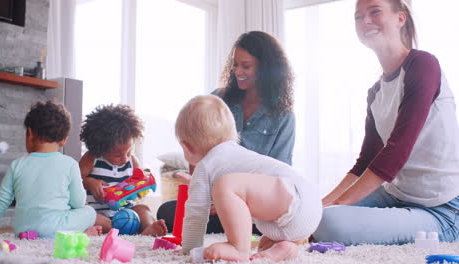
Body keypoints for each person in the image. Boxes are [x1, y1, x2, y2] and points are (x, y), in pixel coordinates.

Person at [313, 0, 459, 245]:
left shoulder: (423, 65)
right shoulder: (375, 92)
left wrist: (333, 207)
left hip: (441, 209)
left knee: (329, 223)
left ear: (400, 18)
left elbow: (397, 151)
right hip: (396, 195)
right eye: (358, 17)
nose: (365, 21)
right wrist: (317, 208)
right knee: (317, 216)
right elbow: (364, 162)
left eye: (375, 12)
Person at [157, 30, 296, 234]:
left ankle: (239, 223)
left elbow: (280, 175)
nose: (237, 71)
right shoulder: (217, 100)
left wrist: (240, 201)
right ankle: (232, 222)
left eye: (245, 66)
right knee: (167, 212)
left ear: (266, 69)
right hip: (214, 199)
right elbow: (197, 149)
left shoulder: (283, 115)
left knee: (282, 223)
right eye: (235, 64)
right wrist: (205, 195)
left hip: (256, 206)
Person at [177, 95, 321, 262]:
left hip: (294, 198)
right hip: (308, 205)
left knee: (225, 185)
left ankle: (238, 248)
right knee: (264, 243)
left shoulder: (205, 165)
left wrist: (189, 249)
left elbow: (196, 213)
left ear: (185, 147)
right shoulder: (238, 154)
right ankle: (284, 247)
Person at [0, 101, 102, 238]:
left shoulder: (17, 165)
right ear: (64, 140)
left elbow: (1, 199)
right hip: (56, 231)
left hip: (23, 230)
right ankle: (78, 234)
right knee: (89, 211)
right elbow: (77, 202)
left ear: (29, 134)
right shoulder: (70, 164)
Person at [79, 104, 167, 236]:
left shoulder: (132, 161)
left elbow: (139, 183)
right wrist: (90, 182)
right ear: (101, 149)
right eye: (118, 155)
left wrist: (140, 192)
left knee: (143, 209)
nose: (125, 158)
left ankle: (148, 228)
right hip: (101, 214)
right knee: (89, 215)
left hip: (129, 213)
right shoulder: (92, 158)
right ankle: (114, 230)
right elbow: (75, 179)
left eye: (129, 151)